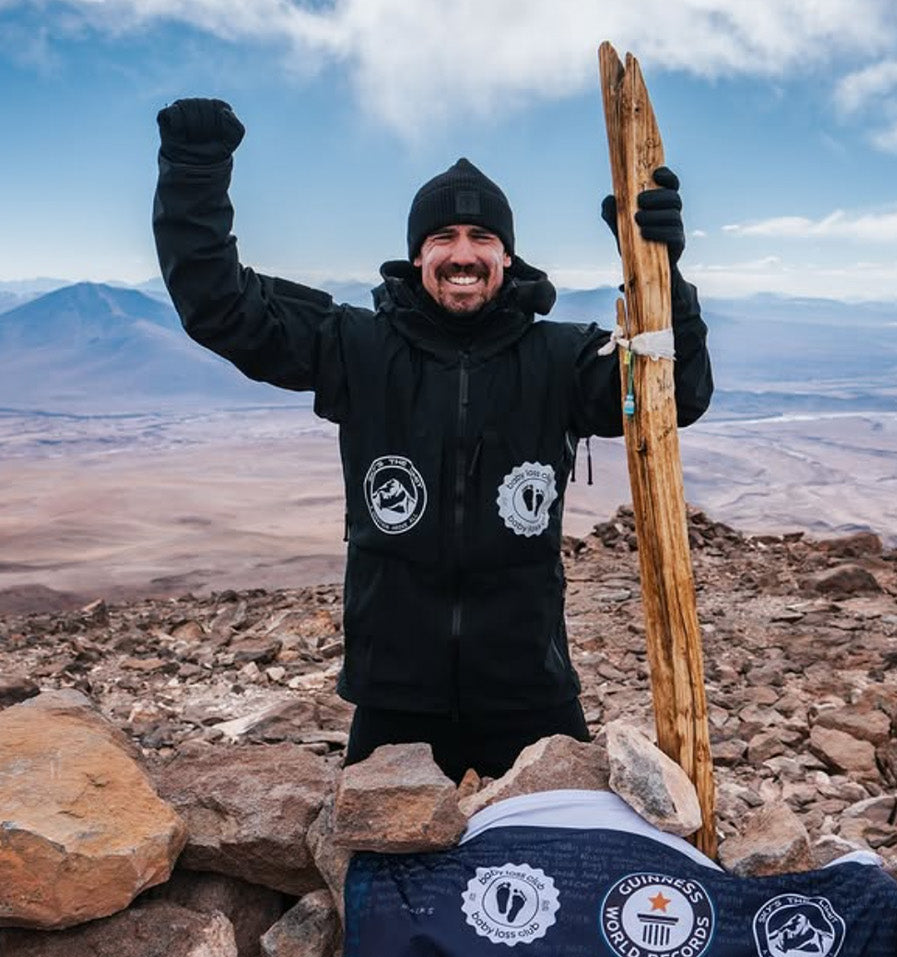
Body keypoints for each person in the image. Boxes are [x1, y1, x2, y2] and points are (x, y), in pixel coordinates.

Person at [153, 98, 713, 781]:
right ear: (418, 253)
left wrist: (663, 273)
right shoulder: (354, 346)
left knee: (563, 866)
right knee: (374, 874)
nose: (463, 254)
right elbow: (223, 307)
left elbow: (677, 392)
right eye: (443, 236)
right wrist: (193, 172)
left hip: (528, 687)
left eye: (482, 236)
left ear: (507, 255)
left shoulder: (563, 359)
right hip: (395, 690)